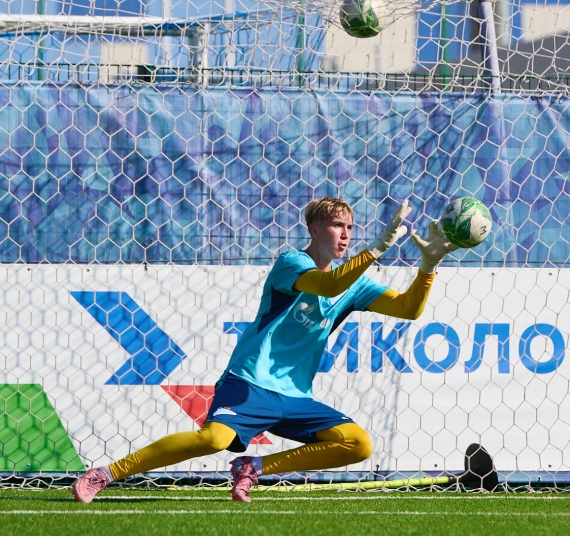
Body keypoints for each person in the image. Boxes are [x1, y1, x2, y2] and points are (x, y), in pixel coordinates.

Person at [72, 196, 457, 503]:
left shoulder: (355, 283)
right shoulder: (293, 262)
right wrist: (374, 250)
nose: (345, 235)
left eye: (351, 228)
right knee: (212, 440)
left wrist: (428, 266)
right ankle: (105, 473)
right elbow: (326, 287)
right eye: (338, 226)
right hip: (251, 381)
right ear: (314, 229)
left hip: (294, 395)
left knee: (358, 444)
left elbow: (408, 309)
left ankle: (253, 466)